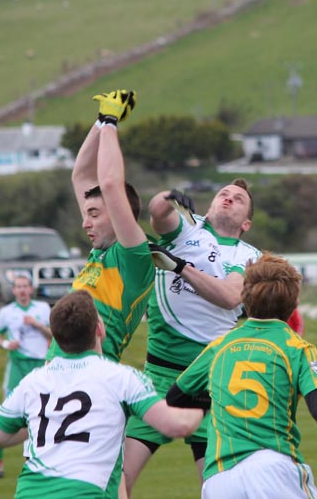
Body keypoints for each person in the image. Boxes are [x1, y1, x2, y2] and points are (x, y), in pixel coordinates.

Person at [166, 253, 317, 499]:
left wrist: (219, 399)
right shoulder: (298, 348)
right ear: (294, 302)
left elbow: (175, 398)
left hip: (218, 480)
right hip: (273, 469)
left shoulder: (219, 347)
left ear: (244, 298)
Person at [0, 290, 203, 499]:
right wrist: (203, 405)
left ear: (56, 338)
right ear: (99, 328)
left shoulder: (32, 381)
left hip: (29, 492)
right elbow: (177, 425)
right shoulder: (121, 378)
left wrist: (48, 424)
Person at [124, 181, 261, 496]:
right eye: (223, 194)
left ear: (246, 223)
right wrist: (167, 196)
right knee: (119, 476)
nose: (229, 198)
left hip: (209, 379)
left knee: (218, 487)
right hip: (159, 374)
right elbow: (158, 214)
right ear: (211, 205)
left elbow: (229, 296)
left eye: (238, 199)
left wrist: (180, 267)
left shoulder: (248, 255)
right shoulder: (187, 229)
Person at [46, 89, 155, 363]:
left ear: (120, 213)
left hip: (94, 377)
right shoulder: (101, 252)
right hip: (56, 373)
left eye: (94, 213)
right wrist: (98, 124)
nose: (85, 222)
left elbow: (109, 183)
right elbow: (81, 174)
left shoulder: (133, 255)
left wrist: (111, 122)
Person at [0, 273, 52, 478]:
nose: (22, 290)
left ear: (31, 289)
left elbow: (54, 335)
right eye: (18, 286)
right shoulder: (6, 313)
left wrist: (37, 325)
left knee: (42, 415)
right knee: (9, 413)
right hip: (17, 366)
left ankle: (38, 460)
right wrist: (7, 344)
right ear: (14, 290)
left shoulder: (42, 309)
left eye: (25, 286)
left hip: (40, 366)